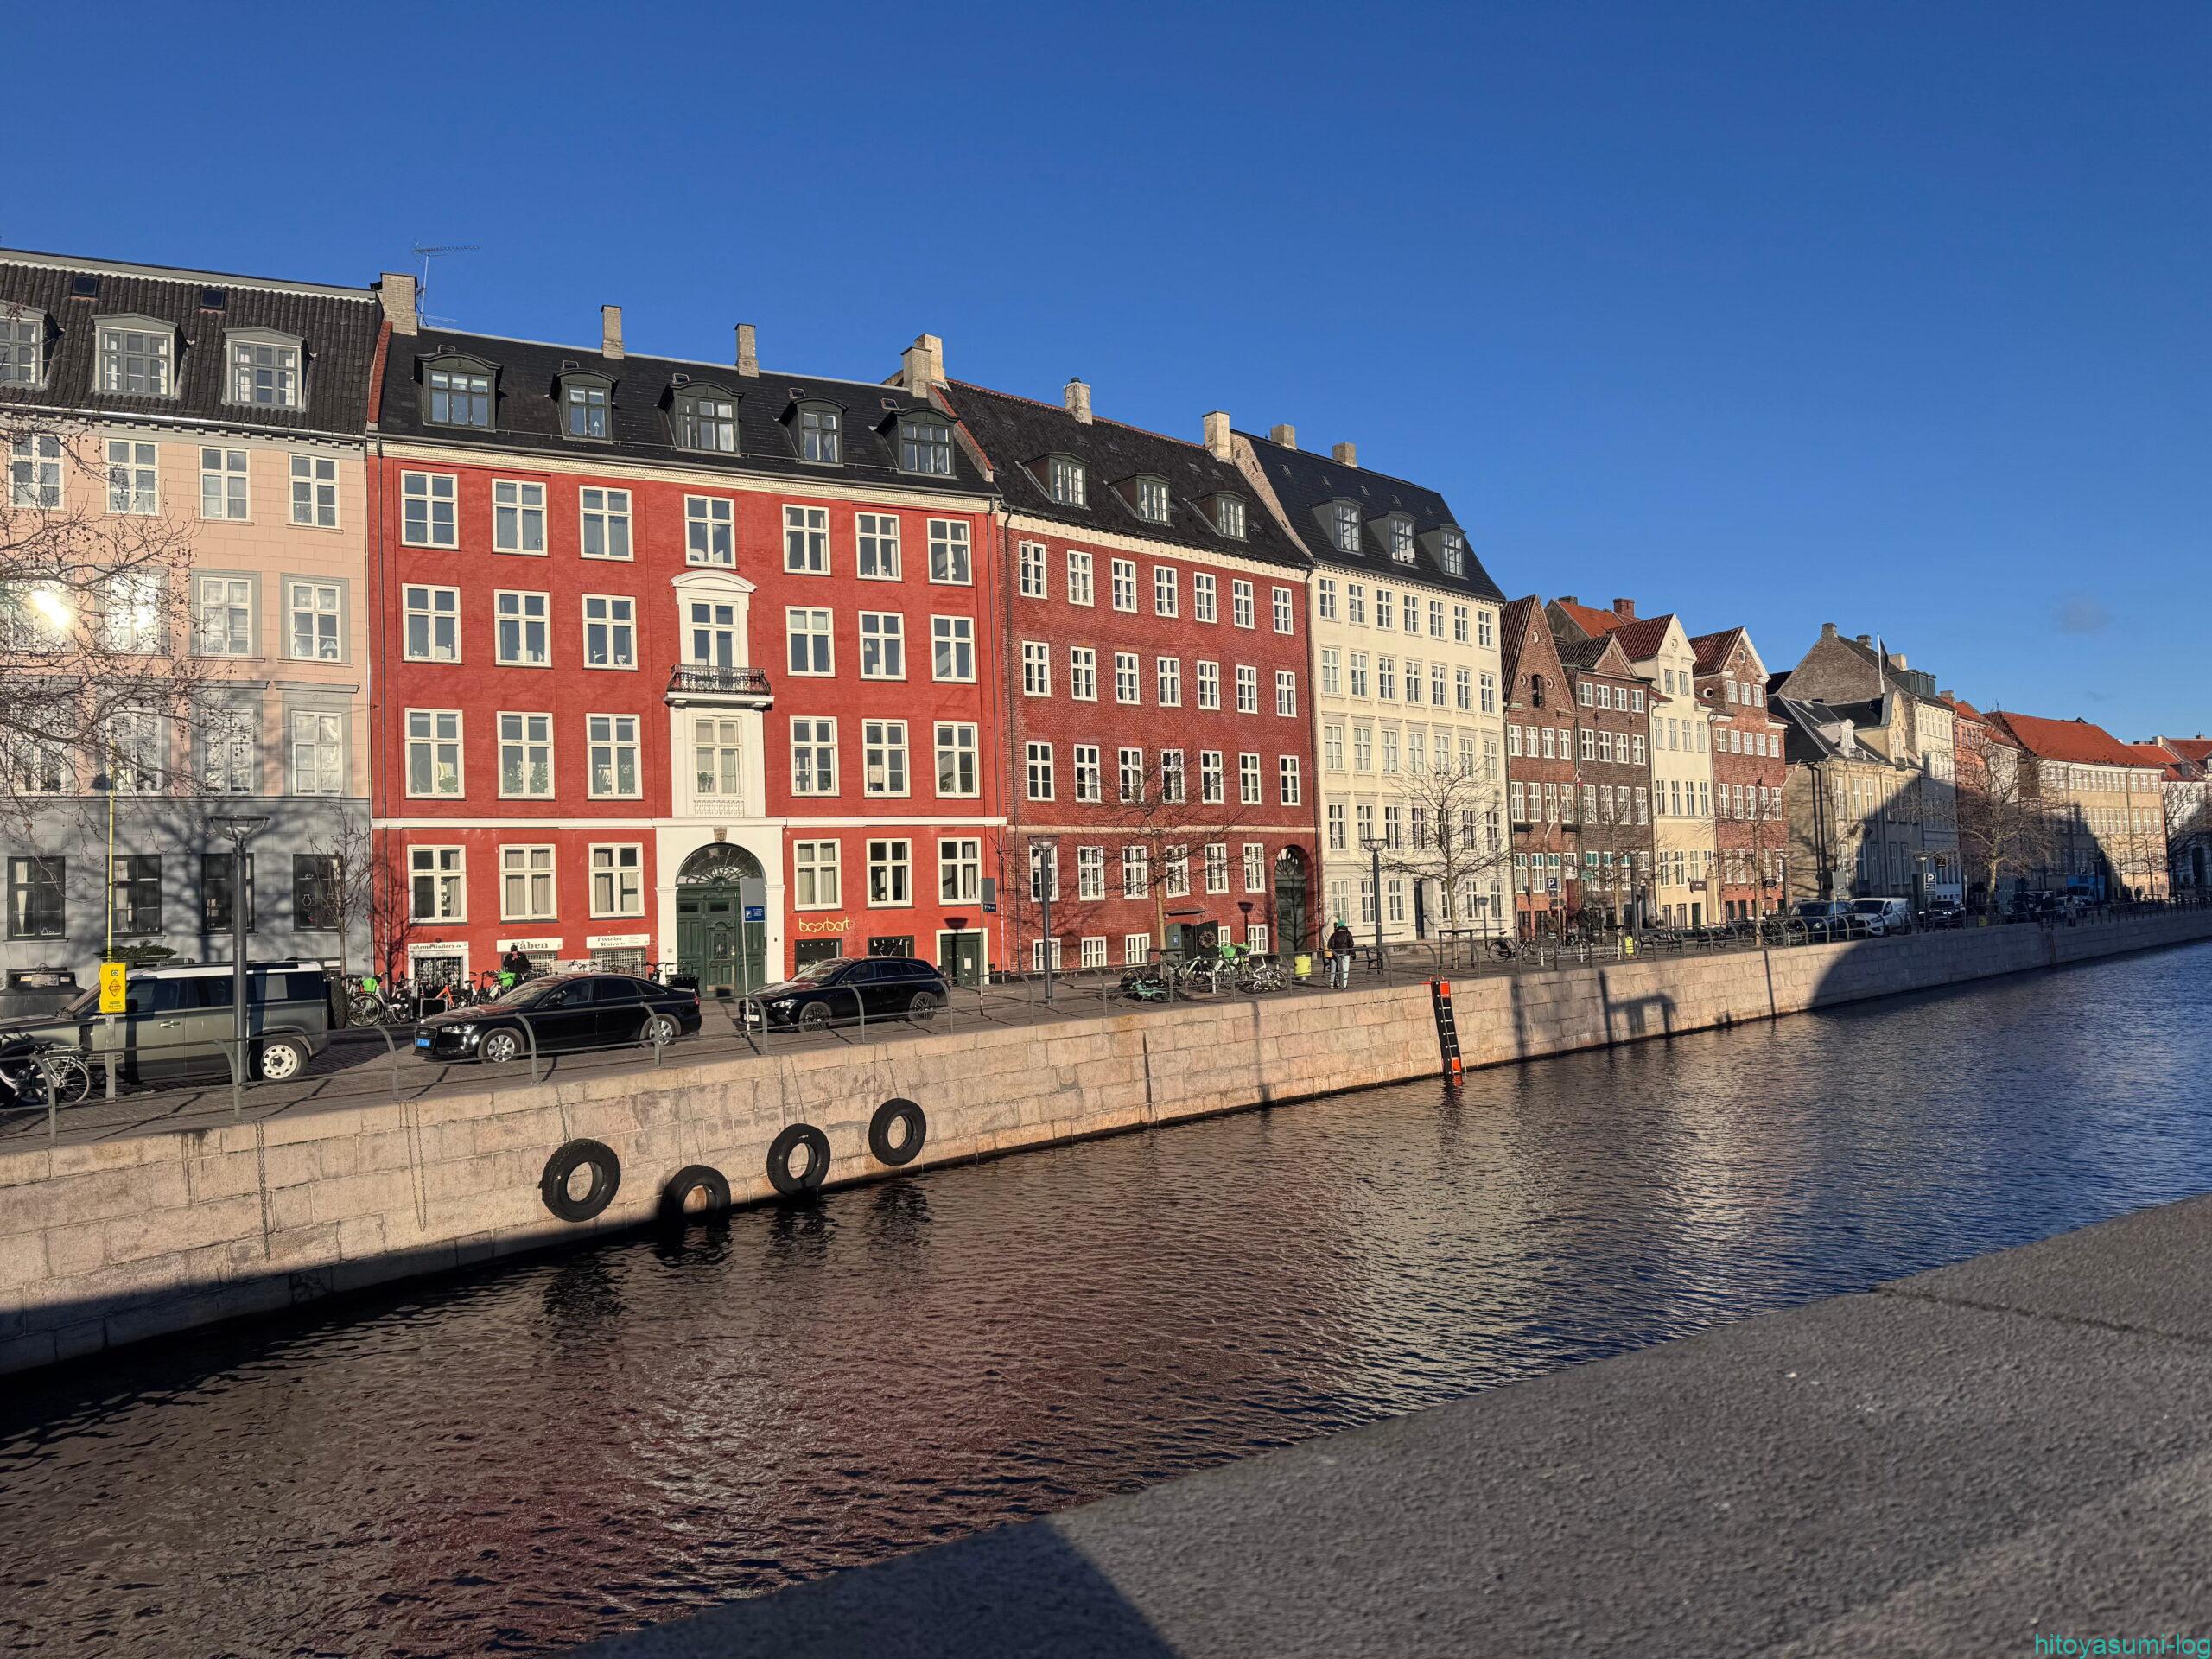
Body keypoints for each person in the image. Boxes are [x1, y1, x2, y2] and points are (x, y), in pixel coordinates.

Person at [1325, 918, 1357, 989]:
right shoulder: (1348, 934)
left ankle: (1335, 983)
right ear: (1344, 926)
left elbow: (1330, 945)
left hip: (1336, 954)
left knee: (1337, 969)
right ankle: (1344, 985)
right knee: (1345, 969)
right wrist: (1353, 954)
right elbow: (1351, 944)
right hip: (1346, 953)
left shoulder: (1334, 935)